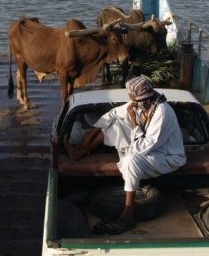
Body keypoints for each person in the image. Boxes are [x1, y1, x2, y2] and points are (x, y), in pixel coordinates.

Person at [64, 76, 186, 235]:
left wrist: (134, 121)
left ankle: (127, 215)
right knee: (115, 125)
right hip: (148, 148)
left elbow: (141, 148)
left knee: (131, 160)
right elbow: (114, 113)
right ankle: (79, 151)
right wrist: (93, 133)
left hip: (168, 156)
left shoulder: (161, 113)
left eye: (132, 98)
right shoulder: (144, 102)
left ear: (141, 97)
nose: (130, 101)